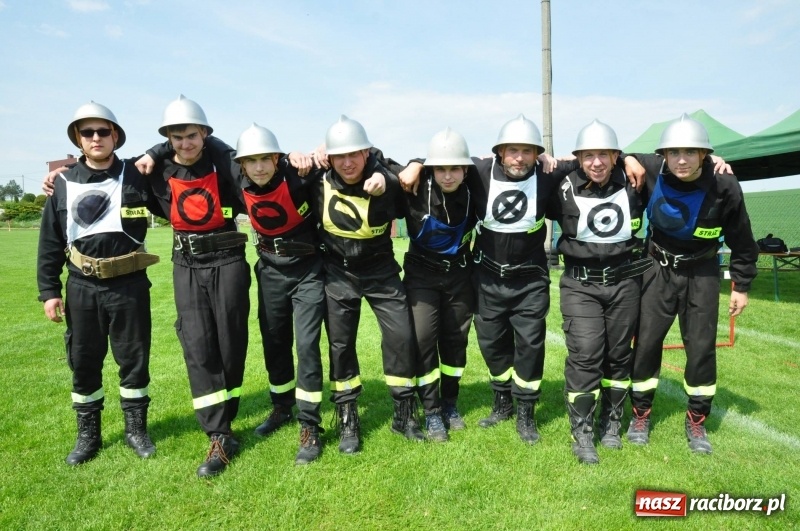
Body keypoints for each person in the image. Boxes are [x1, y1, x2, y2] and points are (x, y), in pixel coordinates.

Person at [627, 114, 759, 454]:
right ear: (663, 156)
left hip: (702, 273)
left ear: (705, 155)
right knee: (646, 344)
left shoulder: (725, 185)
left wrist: (741, 286)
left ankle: (697, 422)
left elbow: (742, 240)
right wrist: (628, 158)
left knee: (701, 349)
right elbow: (613, 157)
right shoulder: (652, 170)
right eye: (674, 153)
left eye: (690, 152)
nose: (681, 159)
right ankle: (640, 415)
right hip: (657, 269)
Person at [38, 101, 159, 465]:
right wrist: (49, 291)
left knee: (133, 360)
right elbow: (50, 240)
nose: (95, 138)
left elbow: (178, 148)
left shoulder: (137, 174)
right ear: (78, 137)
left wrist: (155, 150)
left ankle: (136, 430)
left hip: (129, 285)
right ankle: (88, 436)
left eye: (103, 131)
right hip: (82, 287)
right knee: (84, 360)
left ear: (115, 136)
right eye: (87, 132)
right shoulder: (62, 181)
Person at [135, 95, 250, 477]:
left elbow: (251, 167)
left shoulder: (225, 161)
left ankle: (227, 419)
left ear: (204, 133)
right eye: (175, 137)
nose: (184, 144)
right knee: (198, 346)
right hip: (186, 264)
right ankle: (218, 434)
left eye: (191, 135)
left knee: (231, 343)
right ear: (167, 139)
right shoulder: (156, 168)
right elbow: (110, 173)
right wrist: (56, 176)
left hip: (228, 260)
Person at [308, 115, 421, 453]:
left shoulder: (383, 172)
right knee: (340, 345)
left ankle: (404, 413)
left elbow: (416, 171)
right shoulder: (316, 178)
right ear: (328, 157)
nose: (347, 162)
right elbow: (269, 169)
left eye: (354, 154)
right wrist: (297, 158)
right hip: (337, 273)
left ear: (367, 151)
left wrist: (408, 167)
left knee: (401, 336)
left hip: (381, 270)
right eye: (339, 156)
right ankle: (347, 419)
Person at [546, 120, 651, 464]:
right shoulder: (561, 182)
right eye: (588, 155)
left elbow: (681, 162)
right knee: (586, 353)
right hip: (580, 284)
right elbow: (520, 165)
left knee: (620, 354)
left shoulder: (635, 178)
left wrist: (634, 157)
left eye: (603, 155)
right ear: (578, 158)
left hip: (625, 283)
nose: (596, 163)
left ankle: (613, 420)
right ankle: (582, 430)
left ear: (615, 155)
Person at [401, 128, 477, 442]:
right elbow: (376, 164)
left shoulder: (477, 187)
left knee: (456, 343)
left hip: (459, 275)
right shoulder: (414, 186)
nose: (448, 175)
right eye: (441, 168)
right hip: (421, 276)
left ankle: (450, 404)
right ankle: (431, 412)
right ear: (432, 168)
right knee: (422, 340)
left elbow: (513, 166)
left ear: (465, 169)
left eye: (454, 168)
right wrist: (414, 163)